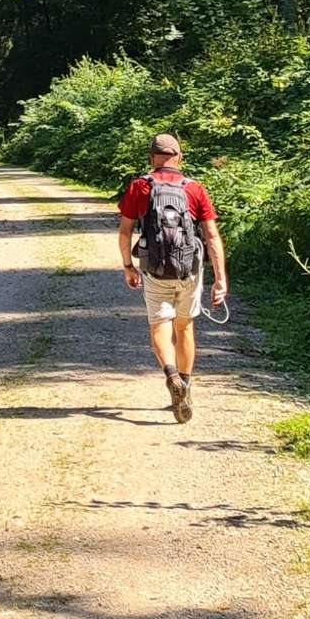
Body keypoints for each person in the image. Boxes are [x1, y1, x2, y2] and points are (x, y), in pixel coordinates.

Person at [116, 132, 229, 424]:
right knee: (185, 326)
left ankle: (171, 376)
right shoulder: (194, 188)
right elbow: (211, 236)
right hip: (189, 269)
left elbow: (125, 232)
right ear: (179, 157)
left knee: (159, 326)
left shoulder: (140, 186)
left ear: (152, 158)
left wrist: (128, 265)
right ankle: (186, 386)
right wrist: (220, 279)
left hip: (155, 270)